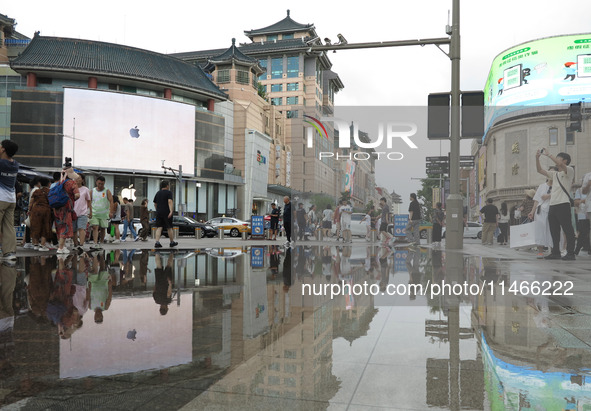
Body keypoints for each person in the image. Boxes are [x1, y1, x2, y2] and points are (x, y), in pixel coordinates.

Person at [536, 149, 576, 260]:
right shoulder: (555, 174)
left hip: (563, 204)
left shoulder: (569, 170)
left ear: (565, 160)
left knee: (567, 229)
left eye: (559, 158)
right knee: (554, 230)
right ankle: (555, 252)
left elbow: (559, 164)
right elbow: (539, 170)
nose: (556, 160)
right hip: (553, 205)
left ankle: (571, 253)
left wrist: (548, 154)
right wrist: (537, 158)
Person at [53, 168, 80, 254]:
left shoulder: (59, 183)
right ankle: (61, 248)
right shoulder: (72, 183)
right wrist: (72, 199)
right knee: (65, 227)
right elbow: (77, 195)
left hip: (57, 208)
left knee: (59, 227)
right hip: (66, 208)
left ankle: (62, 246)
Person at [0, 140, 19, 260]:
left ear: (3, 150)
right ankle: (9, 253)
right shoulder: (15, 164)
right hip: (11, 200)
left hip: (1, 199)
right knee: (9, 227)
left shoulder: (1, 163)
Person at [530, 171, 554, 258]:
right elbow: (536, 200)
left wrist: (549, 196)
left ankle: (553, 250)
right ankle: (540, 251)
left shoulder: (558, 186)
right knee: (540, 230)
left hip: (552, 210)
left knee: (552, 230)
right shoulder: (542, 186)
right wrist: (532, 212)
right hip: (540, 211)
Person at [89, 176, 113, 249]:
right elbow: (89, 201)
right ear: (96, 182)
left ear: (104, 183)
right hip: (94, 213)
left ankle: (101, 242)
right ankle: (95, 243)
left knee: (103, 228)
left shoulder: (107, 191)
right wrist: (89, 211)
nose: (100, 185)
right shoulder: (92, 191)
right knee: (95, 227)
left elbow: (111, 201)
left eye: (102, 184)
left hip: (104, 214)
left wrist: (111, 212)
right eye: (99, 183)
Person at [29, 178, 52, 252]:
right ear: (49, 184)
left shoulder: (37, 191)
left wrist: (29, 210)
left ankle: (35, 244)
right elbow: (52, 202)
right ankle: (42, 245)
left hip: (35, 210)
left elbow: (31, 202)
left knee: (36, 226)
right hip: (45, 210)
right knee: (45, 227)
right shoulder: (49, 191)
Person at [153, 180, 177, 248]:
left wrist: (157, 210)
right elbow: (169, 201)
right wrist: (171, 211)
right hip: (166, 212)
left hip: (159, 212)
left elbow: (155, 203)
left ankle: (157, 242)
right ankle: (172, 242)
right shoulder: (169, 192)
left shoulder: (158, 193)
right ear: (167, 186)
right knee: (169, 227)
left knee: (159, 227)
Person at [73, 174, 91, 252]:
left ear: (82, 180)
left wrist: (91, 211)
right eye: (76, 178)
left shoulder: (85, 189)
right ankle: (75, 244)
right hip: (73, 212)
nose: (77, 179)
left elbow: (89, 200)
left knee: (81, 228)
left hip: (83, 212)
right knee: (74, 230)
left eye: (79, 178)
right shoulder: (72, 189)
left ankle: (81, 245)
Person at [574, 183, 589, 256]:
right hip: (583, 214)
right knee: (583, 232)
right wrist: (582, 201)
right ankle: (577, 250)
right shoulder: (579, 190)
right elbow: (576, 202)